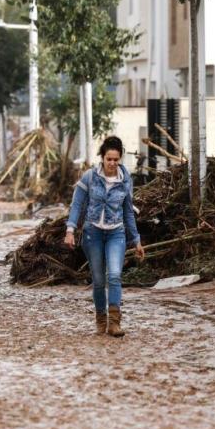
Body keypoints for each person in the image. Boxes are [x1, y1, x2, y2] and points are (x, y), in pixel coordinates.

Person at [64, 136, 145, 337]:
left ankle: (114, 323)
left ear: (120, 159)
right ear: (102, 157)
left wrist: (136, 240)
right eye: (109, 159)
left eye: (116, 160)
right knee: (99, 280)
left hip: (116, 233)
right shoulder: (90, 177)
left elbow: (128, 212)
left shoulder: (125, 181)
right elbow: (77, 205)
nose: (112, 163)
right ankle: (101, 319)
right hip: (93, 234)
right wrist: (70, 230)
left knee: (115, 275)